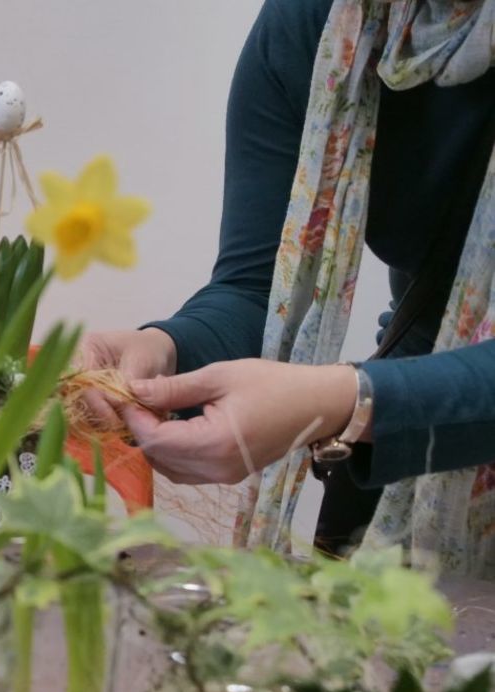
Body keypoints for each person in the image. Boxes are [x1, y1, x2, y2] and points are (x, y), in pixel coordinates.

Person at [81, 0, 495, 575]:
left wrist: (347, 401)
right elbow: (258, 292)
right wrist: (165, 348)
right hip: (412, 471)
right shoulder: (322, 23)